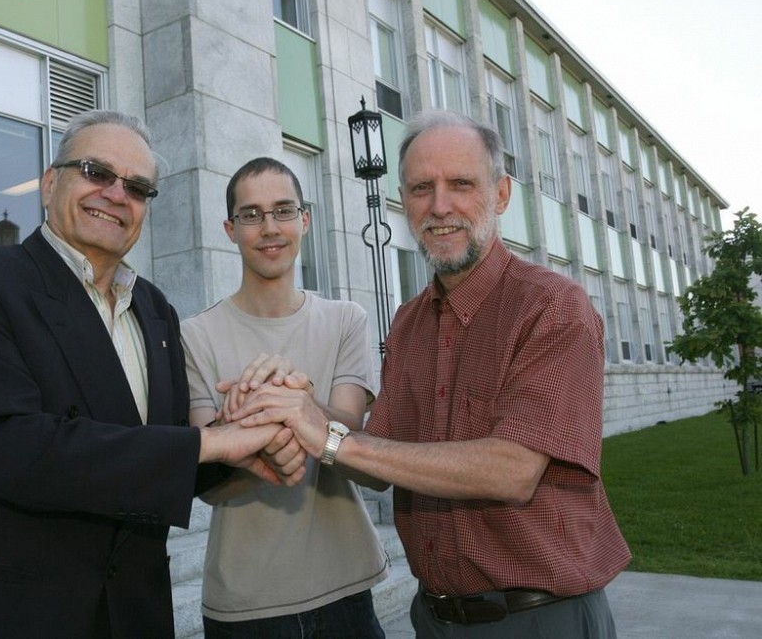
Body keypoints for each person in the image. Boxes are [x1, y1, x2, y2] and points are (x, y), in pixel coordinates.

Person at [231, 111, 632, 638]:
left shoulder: (552, 307)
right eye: (422, 188)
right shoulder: (411, 320)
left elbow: (512, 469)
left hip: (537, 620)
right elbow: (380, 458)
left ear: (502, 194)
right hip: (435, 620)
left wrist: (329, 439)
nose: (440, 206)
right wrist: (300, 406)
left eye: (461, 184)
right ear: (403, 200)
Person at [0, 110, 295, 638]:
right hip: (18, 617)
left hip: (135, 614)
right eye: (97, 172)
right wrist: (211, 444)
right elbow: (11, 448)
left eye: (138, 187)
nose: (117, 194)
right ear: (50, 184)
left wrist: (246, 438)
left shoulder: (154, 309)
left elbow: (157, 455)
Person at [181, 157, 389, 637]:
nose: (269, 228)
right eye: (251, 215)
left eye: (283, 210)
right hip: (243, 603)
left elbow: (353, 440)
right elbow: (205, 478)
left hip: (345, 588)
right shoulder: (194, 335)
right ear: (230, 230)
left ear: (305, 219)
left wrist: (294, 407)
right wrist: (237, 433)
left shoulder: (345, 320)